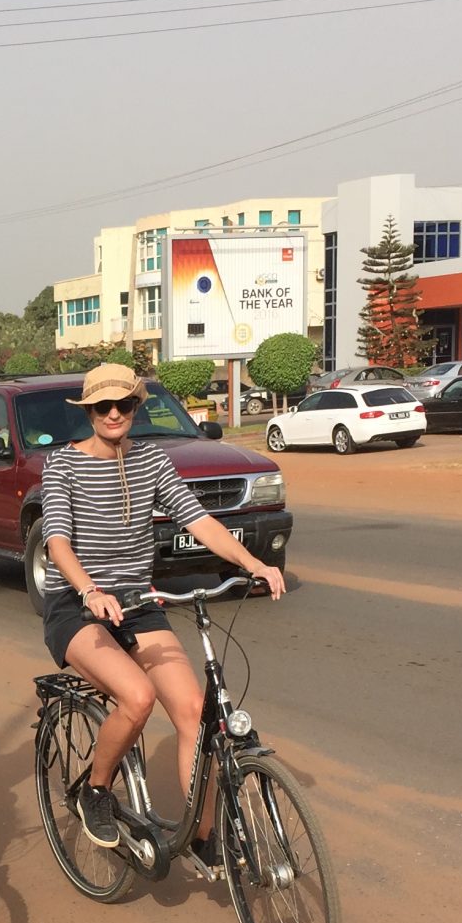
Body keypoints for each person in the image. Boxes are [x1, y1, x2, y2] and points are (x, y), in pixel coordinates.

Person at [37, 364, 284, 860]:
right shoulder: (62, 465)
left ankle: (203, 835)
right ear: (88, 411)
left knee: (195, 710)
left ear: (135, 408)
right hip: (79, 607)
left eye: (123, 405)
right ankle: (97, 790)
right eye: (102, 407)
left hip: (138, 605)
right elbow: (57, 540)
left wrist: (254, 562)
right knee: (138, 696)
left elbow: (198, 519)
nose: (113, 414)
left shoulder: (151, 461)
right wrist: (88, 590)